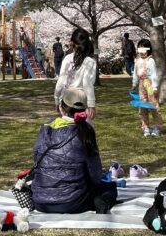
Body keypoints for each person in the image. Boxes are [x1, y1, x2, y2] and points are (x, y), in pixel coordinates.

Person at [31, 86, 117, 214]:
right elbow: (95, 175)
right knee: (109, 188)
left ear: (61, 108)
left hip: (40, 201)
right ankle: (101, 201)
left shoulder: (46, 127)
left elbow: (36, 157)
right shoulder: (86, 131)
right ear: (85, 110)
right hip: (72, 202)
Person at [54, 28, 98, 122]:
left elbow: (61, 81)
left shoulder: (67, 58)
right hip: (81, 102)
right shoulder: (90, 61)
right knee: (84, 127)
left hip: (66, 100)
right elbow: (87, 84)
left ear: (72, 43)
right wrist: (91, 105)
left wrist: (57, 100)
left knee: (67, 127)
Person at [131, 38, 162, 137]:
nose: (142, 52)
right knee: (143, 106)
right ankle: (145, 127)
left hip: (150, 85)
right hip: (141, 85)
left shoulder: (151, 61)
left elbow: (154, 75)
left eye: (144, 49)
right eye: (140, 49)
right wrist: (134, 84)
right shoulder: (137, 61)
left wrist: (155, 88)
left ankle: (157, 127)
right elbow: (135, 74)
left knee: (153, 106)